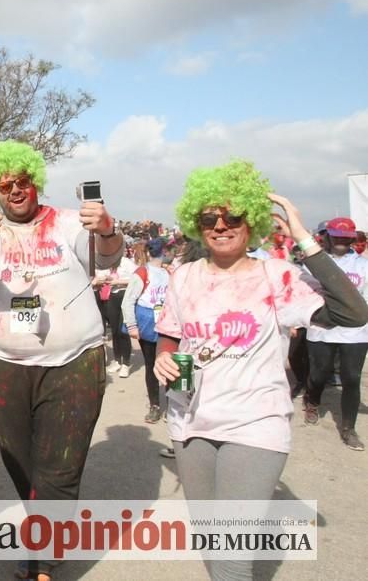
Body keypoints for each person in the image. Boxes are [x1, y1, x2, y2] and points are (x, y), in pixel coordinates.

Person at [153, 160, 368, 581]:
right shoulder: (184, 276)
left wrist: (303, 237)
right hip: (190, 420)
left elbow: (353, 313)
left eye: (233, 215)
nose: (221, 225)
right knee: (211, 537)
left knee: (233, 553)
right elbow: (170, 333)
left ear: (251, 220)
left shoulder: (277, 276)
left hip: (255, 422)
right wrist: (164, 354)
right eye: (209, 218)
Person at [0, 140, 123, 581]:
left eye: (22, 181)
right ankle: (46, 527)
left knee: (60, 464)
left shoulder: (67, 223)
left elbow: (108, 255)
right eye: (5, 184)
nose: (14, 190)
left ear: (35, 183)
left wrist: (105, 228)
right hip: (10, 362)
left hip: (75, 362)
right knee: (17, 457)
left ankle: (42, 562)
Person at [302, 216, 368, 450]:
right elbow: (306, 295)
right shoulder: (314, 263)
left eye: (346, 238)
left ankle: (348, 429)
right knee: (319, 374)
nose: (341, 241)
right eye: (337, 236)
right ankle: (311, 401)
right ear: (328, 236)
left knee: (351, 379)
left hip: (355, 332)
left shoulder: (363, 265)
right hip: (322, 329)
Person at [122, 238, 169, 423]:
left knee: (167, 364)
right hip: (147, 323)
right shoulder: (142, 272)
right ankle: (155, 405)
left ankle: (171, 406)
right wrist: (132, 325)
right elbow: (128, 301)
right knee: (151, 365)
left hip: (166, 324)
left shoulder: (168, 272)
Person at [93, 252, 136, 376]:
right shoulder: (106, 264)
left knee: (123, 331)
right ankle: (117, 360)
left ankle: (126, 363)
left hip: (124, 296)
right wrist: (104, 279)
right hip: (111, 297)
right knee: (115, 330)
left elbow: (137, 279)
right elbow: (99, 276)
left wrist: (119, 282)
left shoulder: (126, 262)